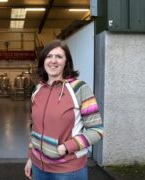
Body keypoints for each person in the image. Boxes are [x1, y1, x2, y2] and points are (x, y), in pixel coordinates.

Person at [24, 39, 103, 180]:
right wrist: (31, 158)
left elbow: (97, 130)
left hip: (68, 170)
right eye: (49, 56)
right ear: (43, 61)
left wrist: (65, 148)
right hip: (39, 167)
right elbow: (35, 128)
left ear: (66, 62)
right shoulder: (38, 90)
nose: (53, 61)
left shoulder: (79, 88)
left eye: (59, 57)